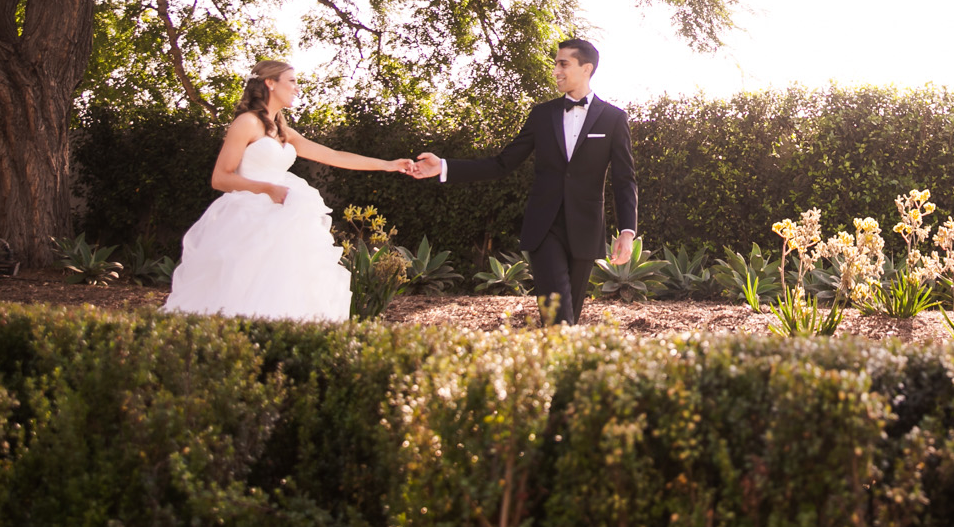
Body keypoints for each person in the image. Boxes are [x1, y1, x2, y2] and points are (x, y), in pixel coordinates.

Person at [163, 59, 416, 322]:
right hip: (248, 220)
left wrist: (388, 165)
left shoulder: (283, 131)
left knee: (286, 286)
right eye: (292, 81)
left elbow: (334, 155)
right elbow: (220, 178)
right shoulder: (247, 123)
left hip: (285, 218)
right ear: (270, 83)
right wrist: (266, 189)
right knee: (241, 287)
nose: (297, 88)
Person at [417, 38, 636, 325]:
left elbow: (624, 180)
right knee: (558, 313)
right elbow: (502, 163)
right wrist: (444, 167)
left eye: (563, 64)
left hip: (585, 228)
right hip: (543, 227)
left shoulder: (613, 119)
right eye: (555, 63)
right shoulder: (542, 115)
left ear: (587, 68)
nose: (556, 70)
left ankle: (556, 366)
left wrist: (627, 231)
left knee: (567, 315)